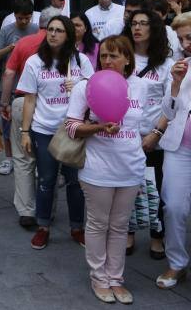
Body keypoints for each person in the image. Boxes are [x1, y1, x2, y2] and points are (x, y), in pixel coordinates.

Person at [65, 35, 147, 304]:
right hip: (97, 169)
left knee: (120, 226)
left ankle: (116, 279)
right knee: (99, 224)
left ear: (127, 59)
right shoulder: (86, 86)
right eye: (104, 56)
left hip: (131, 168)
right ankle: (99, 277)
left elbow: (138, 126)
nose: (108, 61)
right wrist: (100, 126)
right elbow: (72, 127)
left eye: (114, 56)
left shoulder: (140, 86)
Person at [17, 15, 94, 250]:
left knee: (74, 182)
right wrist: (25, 131)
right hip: (43, 129)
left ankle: (77, 228)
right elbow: (30, 99)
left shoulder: (80, 60)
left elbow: (95, 93)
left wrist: (81, 85)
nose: (53, 34)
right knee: (46, 180)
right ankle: (43, 228)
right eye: (50, 29)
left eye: (59, 30)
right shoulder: (34, 62)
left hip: (73, 130)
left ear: (68, 35)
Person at [0, 7, 63, 229]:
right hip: (52, 106)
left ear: (39, 24)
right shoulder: (63, 45)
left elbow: (9, 73)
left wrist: (5, 103)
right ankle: (49, 210)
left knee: (22, 158)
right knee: (50, 160)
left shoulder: (24, 43)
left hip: (23, 101)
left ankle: (27, 210)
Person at [123, 9, 173, 258]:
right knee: (127, 189)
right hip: (124, 137)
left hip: (155, 139)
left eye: (143, 24)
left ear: (154, 29)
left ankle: (157, 236)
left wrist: (155, 134)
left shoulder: (166, 64)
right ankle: (129, 234)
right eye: (134, 23)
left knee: (157, 189)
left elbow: (171, 104)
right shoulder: (123, 58)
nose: (137, 28)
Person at [155, 12, 191, 289]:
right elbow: (167, 111)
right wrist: (176, 84)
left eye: (189, 37)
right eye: (181, 39)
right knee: (174, 207)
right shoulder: (180, 67)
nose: (185, 43)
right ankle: (177, 263)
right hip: (179, 148)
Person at [0, 0, 39, 176]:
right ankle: (9, 158)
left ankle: (32, 158)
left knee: (32, 125)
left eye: (27, 18)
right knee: (7, 125)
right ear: (14, 16)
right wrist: (12, 47)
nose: (24, 21)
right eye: (20, 18)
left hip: (31, 86)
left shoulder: (36, 30)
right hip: (10, 86)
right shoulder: (7, 30)